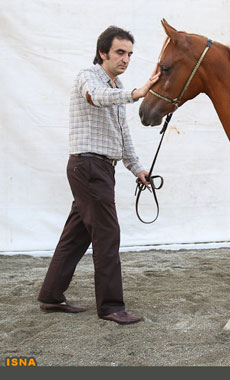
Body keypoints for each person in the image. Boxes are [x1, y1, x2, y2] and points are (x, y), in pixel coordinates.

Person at [37, 26, 160, 325]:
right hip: (88, 168)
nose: (126, 59)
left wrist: (138, 168)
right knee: (107, 235)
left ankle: (51, 296)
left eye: (130, 54)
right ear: (103, 52)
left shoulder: (117, 88)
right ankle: (111, 307)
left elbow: (123, 136)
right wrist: (136, 94)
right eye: (120, 52)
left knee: (75, 237)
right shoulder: (89, 78)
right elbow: (96, 97)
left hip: (99, 169)